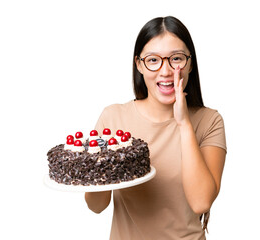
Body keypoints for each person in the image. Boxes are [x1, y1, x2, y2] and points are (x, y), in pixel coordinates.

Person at [85, 16, 227, 240]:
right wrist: (102, 164)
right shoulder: (113, 118)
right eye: (153, 60)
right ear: (139, 64)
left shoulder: (209, 121)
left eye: (176, 59)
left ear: (190, 63)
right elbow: (96, 205)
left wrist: (183, 124)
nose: (166, 71)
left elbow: (201, 202)